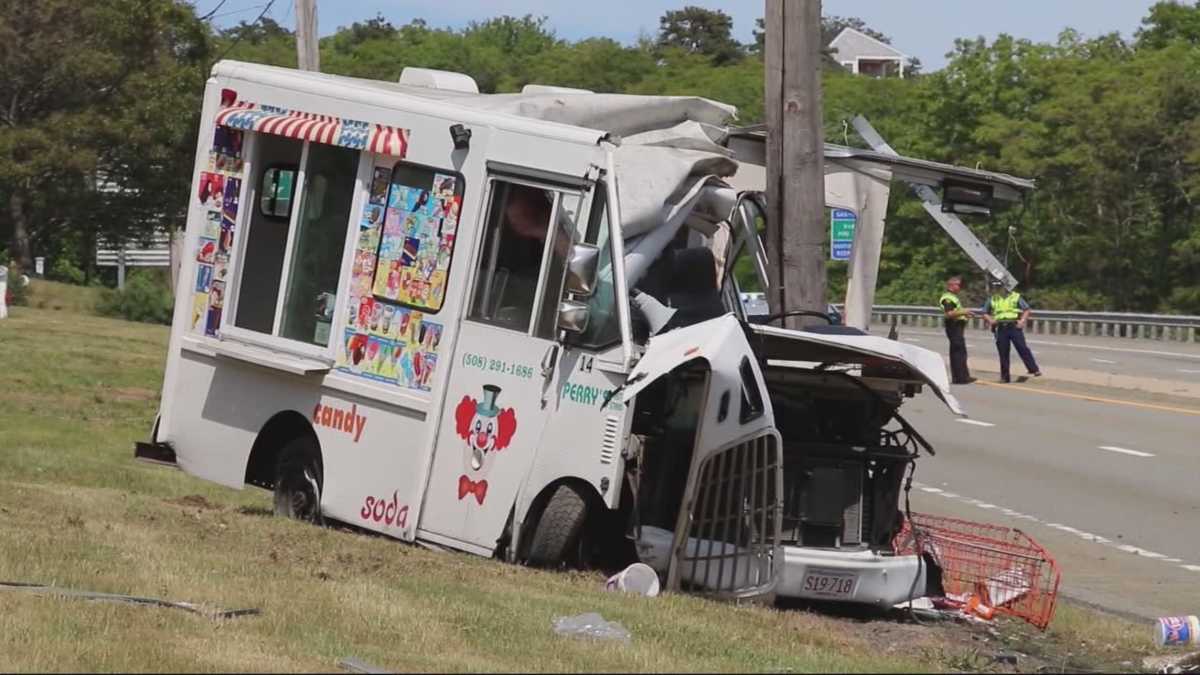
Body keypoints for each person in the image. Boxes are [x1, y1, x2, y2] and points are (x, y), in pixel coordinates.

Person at [981, 277, 1042, 383]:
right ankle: (1005, 377)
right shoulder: (993, 298)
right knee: (1003, 352)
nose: (997, 288)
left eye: (999, 286)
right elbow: (984, 312)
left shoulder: (1015, 297)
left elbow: (1026, 309)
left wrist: (1022, 321)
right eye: (996, 287)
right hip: (1000, 327)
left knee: (1022, 348)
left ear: (1005, 287)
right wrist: (990, 320)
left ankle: (1033, 369)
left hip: (1013, 326)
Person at [940, 275, 975, 384]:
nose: (960, 287)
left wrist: (964, 315)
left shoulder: (953, 297)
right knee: (958, 352)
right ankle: (960, 378)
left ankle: (962, 376)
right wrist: (964, 312)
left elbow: (956, 312)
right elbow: (949, 313)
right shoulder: (948, 298)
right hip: (953, 326)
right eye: (958, 285)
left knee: (960, 352)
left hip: (957, 326)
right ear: (951, 285)